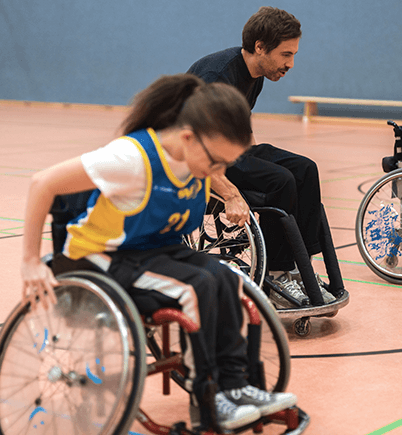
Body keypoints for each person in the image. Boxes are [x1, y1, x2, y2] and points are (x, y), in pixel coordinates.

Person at [20, 73, 297, 431]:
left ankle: (236, 385)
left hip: (149, 249)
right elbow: (42, 183)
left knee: (228, 278)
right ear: (187, 137)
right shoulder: (129, 159)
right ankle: (209, 397)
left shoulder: (195, 156)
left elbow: (208, 175)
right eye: (216, 163)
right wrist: (28, 261)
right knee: (194, 287)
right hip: (96, 258)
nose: (219, 173)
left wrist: (229, 192)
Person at [187, 6, 336, 308]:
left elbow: (240, 126)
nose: (291, 64)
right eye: (285, 54)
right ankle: (277, 274)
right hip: (197, 160)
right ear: (260, 47)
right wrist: (229, 194)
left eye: (293, 55)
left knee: (304, 169)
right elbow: (192, 145)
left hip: (227, 151)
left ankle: (298, 269)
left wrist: (258, 159)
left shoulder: (255, 74)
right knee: (280, 181)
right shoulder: (216, 76)